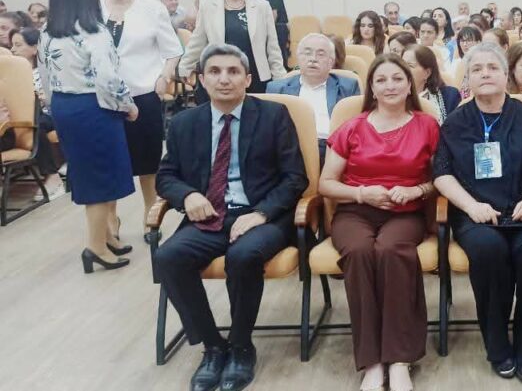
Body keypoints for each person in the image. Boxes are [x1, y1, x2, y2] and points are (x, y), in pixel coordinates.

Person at [154, 43, 307, 391]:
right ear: (202, 79)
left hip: (262, 216)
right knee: (168, 257)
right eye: (215, 72)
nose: (224, 79)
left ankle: (240, 347)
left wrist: (262, 213)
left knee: (244, 255)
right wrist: (188, 195)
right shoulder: (184, 123)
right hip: (209, 216)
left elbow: (295, 177)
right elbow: (166, 176)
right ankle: (213, 346)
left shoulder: (273, 116)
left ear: (248, 79)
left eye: (233, 71)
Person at [433, 43, 522, 385]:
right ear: (467, 80)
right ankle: (497, 346)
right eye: (477, 69)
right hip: (477, 214)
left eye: (493, 68)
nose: (485, 74)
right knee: (488, 250)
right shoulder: (456, 122)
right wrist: (470, 206)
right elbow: (441, 173)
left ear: (506, 76)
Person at [318, 52, 439, 391]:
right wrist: (361, 194)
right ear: (371, 87)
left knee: (391, 250)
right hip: (355, 210)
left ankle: (399, 359)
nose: (390, 86)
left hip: (406, 212)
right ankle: (371, 361)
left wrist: (416, 189)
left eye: (398, 78)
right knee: (358, 252)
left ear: (410, 84)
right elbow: (325, 184)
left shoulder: (427, 125)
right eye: (381, 79)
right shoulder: (352, 127)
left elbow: (441, 179)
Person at [38, 0, 138, 274]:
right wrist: (128, 105)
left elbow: (44, 75)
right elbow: (107, 79)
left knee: (88, 174)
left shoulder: (47, 31)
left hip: (64, 107)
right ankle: (96, 247)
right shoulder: (93, 30)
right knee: (100, 179)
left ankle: (107, 237)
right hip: (93, 108)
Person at [99, 0, 184, 235]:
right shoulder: (93, 8)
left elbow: (172, 51)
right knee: (109, 163)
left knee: (148, 163)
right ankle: (110, 220)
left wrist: (164, 76)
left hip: (143, 93)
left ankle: (151, 217)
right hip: (103, 98)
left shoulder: (152, 8)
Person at [180, 0, 286, 99]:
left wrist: (279, 77)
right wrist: (185, 66)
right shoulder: (207, 5)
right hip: (221, 75)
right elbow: (197, 41)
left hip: (254, 75)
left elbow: (272, 46)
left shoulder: (262, 6)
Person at [267, 33, 361, 164]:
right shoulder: (277, 89)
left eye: (320, 54)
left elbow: (356, 128)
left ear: (331, 61)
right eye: (307, 53)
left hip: (331, 149)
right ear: (298, 58)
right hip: (290, 150)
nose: (313, 59)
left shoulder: (348, 87)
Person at [9, 27, 66, 200]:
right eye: (12, 45)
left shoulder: (48, 69)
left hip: (52, 114)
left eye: (18, 45)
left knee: (35, 125)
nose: (13, 50)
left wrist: (42, 97)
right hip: (25, 116)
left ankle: (53, 177)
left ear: (34, 48)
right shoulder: (12, 74)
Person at [403, 44, 460, 122]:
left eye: (410, 66)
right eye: (402, 65)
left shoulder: (449, 96)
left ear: (427, 73)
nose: (403, 69)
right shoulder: (395, 96)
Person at [255, 0, 290, 66]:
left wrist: (266, 31)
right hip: (278, 28)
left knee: (279, 57)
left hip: (278, 29)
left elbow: (273, 14)